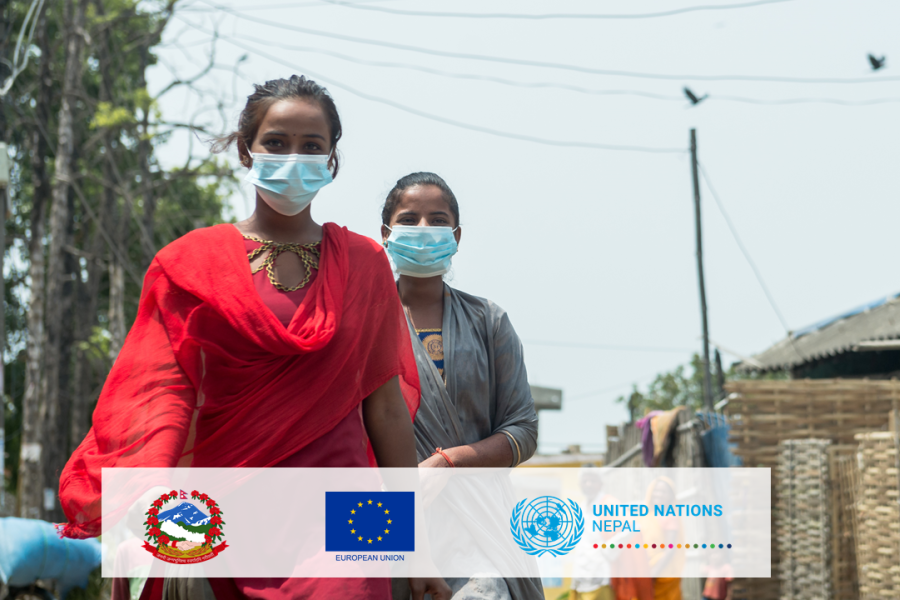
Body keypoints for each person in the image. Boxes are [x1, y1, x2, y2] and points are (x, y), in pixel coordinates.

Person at [58, 75, 450, 600]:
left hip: (344, 509)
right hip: (225, 506)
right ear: (247, 151)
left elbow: (385, 411)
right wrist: (138, 524)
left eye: (312, 146)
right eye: (276, 143)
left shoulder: (364, 264)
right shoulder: (188, 265)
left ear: (332, 159)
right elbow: (161, 407)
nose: (294, 157)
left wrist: (415, 542)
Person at [380, 172, 543, 600]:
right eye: (409, 219)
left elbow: (522, 432)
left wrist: (447, 462)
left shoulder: (488, 322)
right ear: (386, 233)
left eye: (437, 221)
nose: (422, 231)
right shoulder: (362, 322)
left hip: (478, 524)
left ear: (456, 235)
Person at [569, 466, 615, 600]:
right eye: (585, 481)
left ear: (601, 483)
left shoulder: (609, 505)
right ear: (579, 484)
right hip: (581, 574)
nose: (588, 484)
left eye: (593, 481)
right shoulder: (581, 508)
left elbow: (621, 537)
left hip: (602, 576)